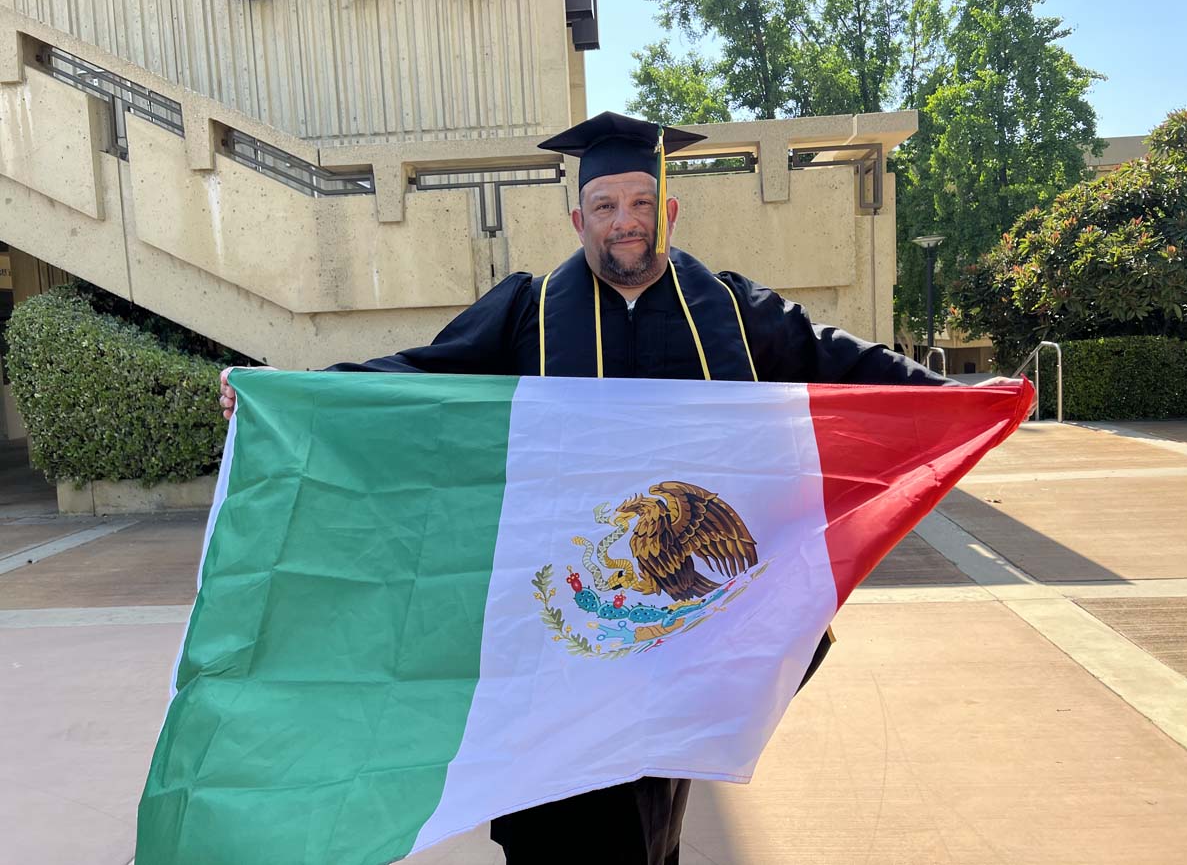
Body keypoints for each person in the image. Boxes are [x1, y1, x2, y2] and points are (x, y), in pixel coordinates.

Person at [219, 111, 1016, 864]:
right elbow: (418, 381)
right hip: (557, 622)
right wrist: (290, 394)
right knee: (556, 814)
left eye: (639, 202)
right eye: (604, 205)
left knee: (649, 808)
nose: (623, 220)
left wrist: (968, 403)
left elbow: (847, 367)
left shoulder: (733, 314)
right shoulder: (530, 312)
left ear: (667, 209)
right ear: (578, 219)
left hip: (682, 634)